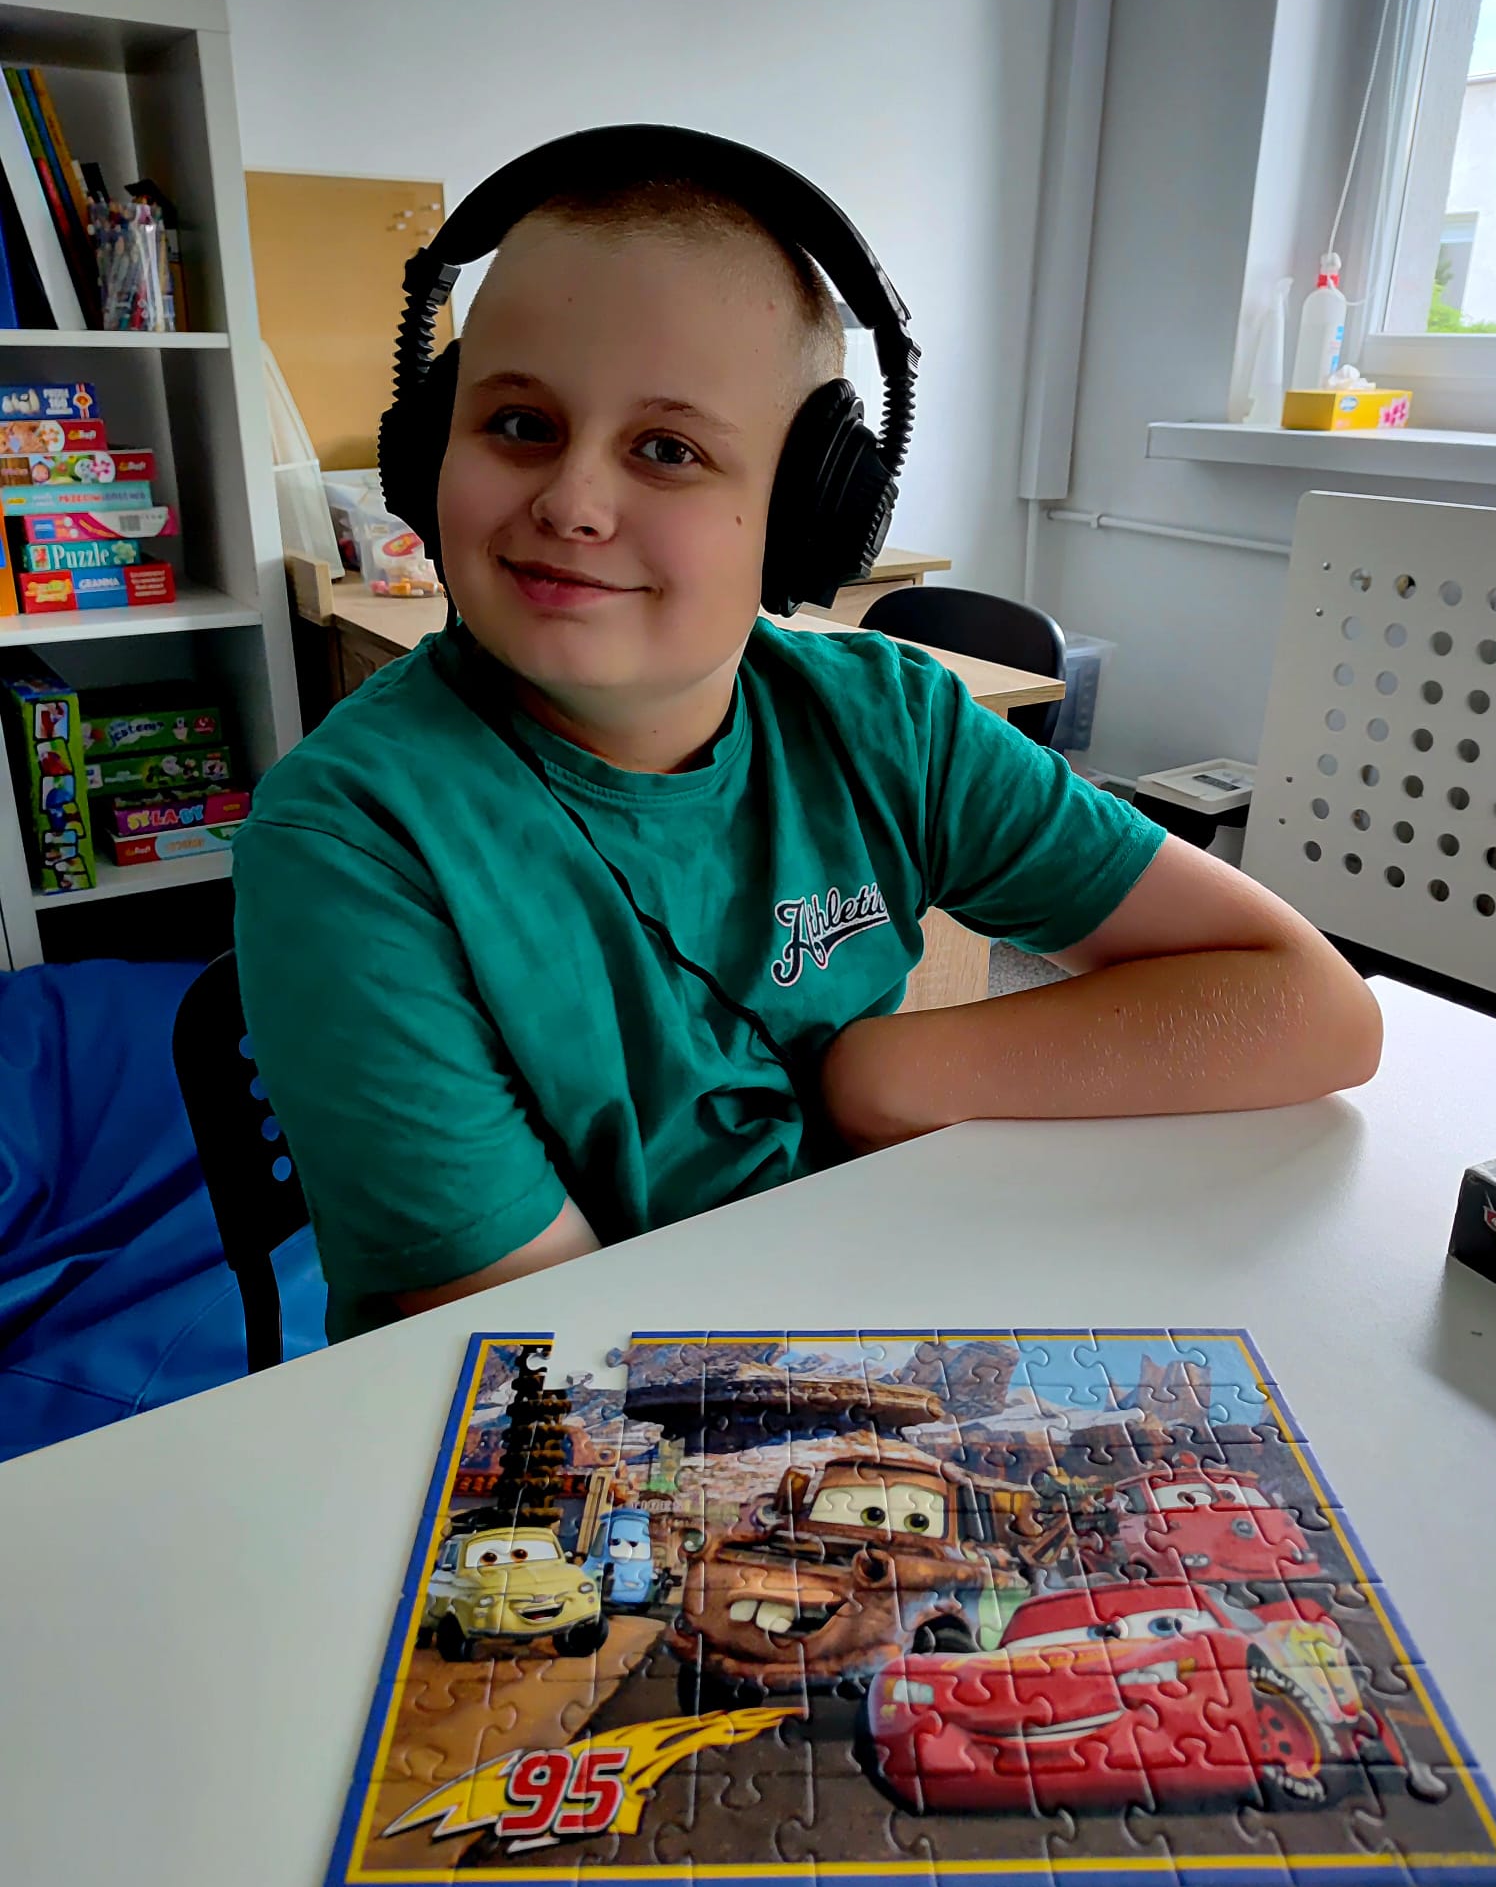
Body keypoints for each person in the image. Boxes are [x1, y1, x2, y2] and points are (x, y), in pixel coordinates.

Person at [234, 131, 1381, 1344]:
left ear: (806, 516)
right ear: (429, 451)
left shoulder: (890, 724)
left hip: (847, 1314)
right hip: (571, 1407)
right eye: (518, 422)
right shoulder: (348, 845)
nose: (570, 501)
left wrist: (887, 1075)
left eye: (668, 449)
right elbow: (565, 1362)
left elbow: (1316, 1009)